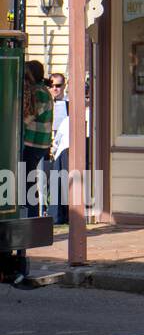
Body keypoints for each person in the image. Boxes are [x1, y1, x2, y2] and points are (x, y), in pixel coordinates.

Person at [21, 61, 53, 220]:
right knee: (27, 181)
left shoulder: (39, 92)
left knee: (27, 183)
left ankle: (31, 220)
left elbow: (29, 116)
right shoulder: (39, 90)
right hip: (36, 144)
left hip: (34, 144)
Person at [47, 74, 69, 224]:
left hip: (60, 146)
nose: (55, 88)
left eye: (58, 85)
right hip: (44, 142)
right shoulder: (45, 101)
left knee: (60, 179)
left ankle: (60, 214)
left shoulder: (69, 104)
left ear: (64, 86)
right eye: (52, 85)